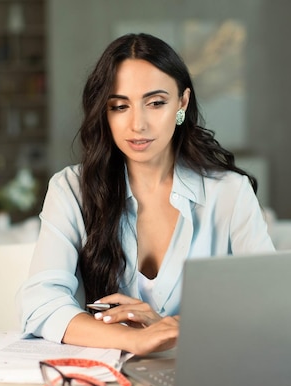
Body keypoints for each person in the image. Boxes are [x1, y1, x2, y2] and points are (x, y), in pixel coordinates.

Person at [17, 33, 275, 356]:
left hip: (204, 375)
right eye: (120, 106)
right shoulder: (70, 190)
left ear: (182, 103)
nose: (137, 124)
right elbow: (41, 305)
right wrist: (137, 340)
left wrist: (171, 326)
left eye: (155, 103)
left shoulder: (230, 194)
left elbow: (268, 299)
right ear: (105, 113)